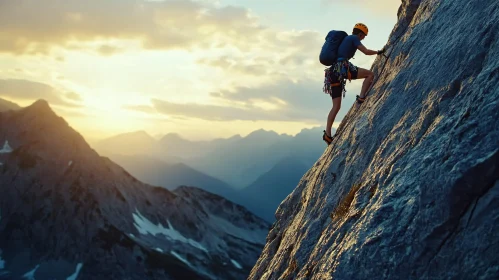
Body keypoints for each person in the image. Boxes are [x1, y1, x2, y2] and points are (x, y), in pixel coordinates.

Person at [323, 23, 385, 145]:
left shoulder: (346, 39)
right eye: (364, 36)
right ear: (360, 34)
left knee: (336, 107)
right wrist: (379, 52)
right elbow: (366, 52)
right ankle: (361, 97)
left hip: (333, 73)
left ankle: (328, 135)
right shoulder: (354, 38)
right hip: (342, 68)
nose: (363, 38)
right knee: (370, 75)